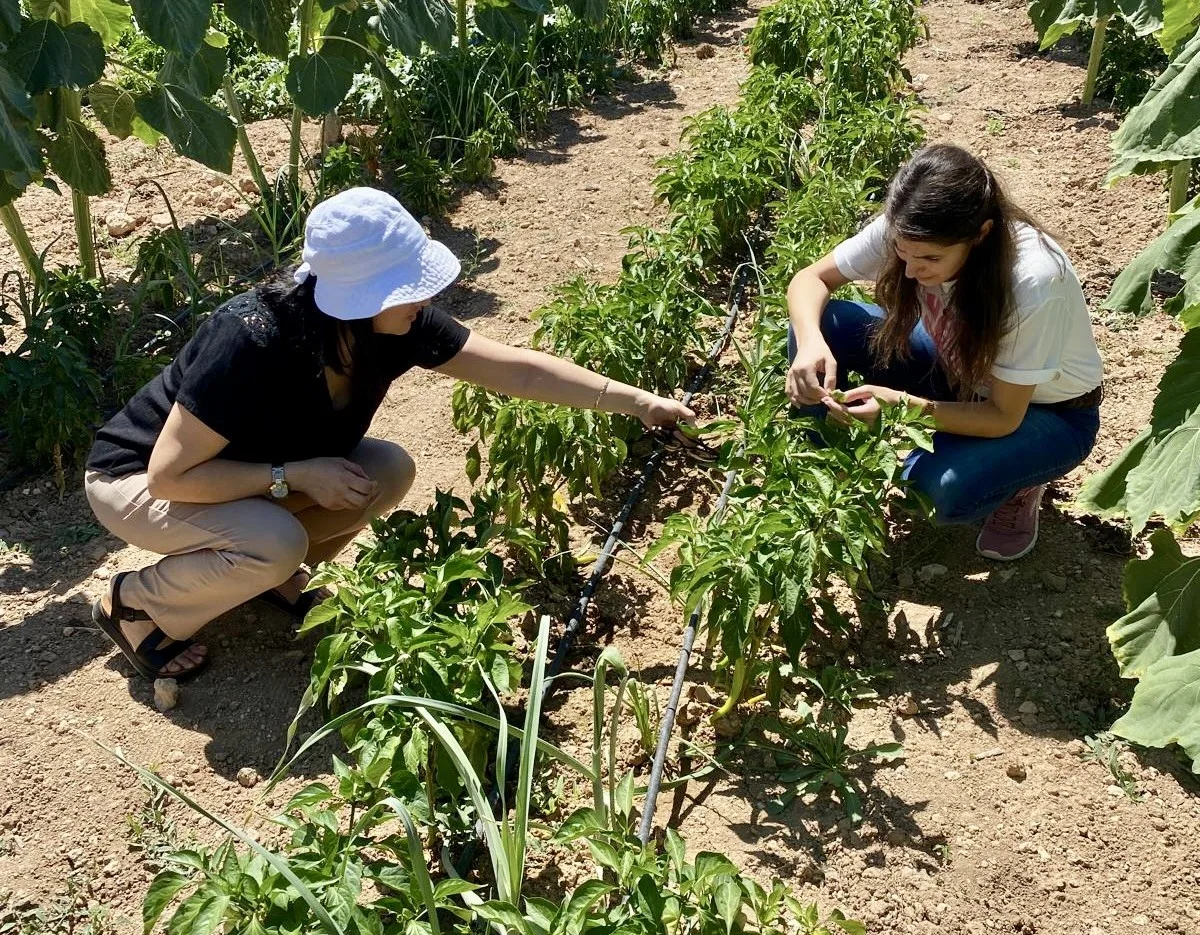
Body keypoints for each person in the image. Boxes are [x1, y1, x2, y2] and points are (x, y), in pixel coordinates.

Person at [85, 187, 695, 681]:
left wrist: (637, 402)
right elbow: (171, 476)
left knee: (385, 471)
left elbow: (517, 368)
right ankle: (137, 605)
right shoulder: (251, 338)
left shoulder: (390, 326)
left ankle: (266, 578)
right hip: (141, 482)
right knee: (272, 540)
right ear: (356, 295)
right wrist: (295, 475)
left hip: (241, 477)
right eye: (407, 286)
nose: (426, 296)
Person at [785, 143, 1103, 562]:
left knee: (939, 489)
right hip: (959, 373)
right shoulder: (911, 229)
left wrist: (903, 407)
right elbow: (811, 279)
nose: (912, 271)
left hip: (1046, 413)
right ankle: (818, 470)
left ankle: (1019, 483)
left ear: (980, 235)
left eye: (931, 259)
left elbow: (1003, 416)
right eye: (902, 252)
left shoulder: (1032, 281)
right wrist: (810, 342)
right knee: (829, 324)